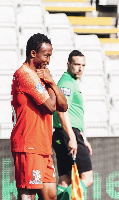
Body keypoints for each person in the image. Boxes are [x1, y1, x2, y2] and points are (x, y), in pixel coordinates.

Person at [11, 33, 68, 200]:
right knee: (28, 195)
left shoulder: (42, 77)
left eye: (50, 56)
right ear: (33, 53)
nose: (48, 60)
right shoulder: (25, 74)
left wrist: (51, 82)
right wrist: (48, 82)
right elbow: (51, 107)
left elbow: (63, 106)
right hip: (28, 144)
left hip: (43, 146)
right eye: (46, 55)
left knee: (50, 197)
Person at [52, 50, 93, 199]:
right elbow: (62, 112)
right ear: (68, 64)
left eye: (83, 65)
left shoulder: (69, 82)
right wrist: (72, 137)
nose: (80, 68)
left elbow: (71, 113)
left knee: (64, 180)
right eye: (76, 64)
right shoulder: (67, 83)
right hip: (68, 134)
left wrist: (82, 137)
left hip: (64, 134)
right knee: (87, 177)